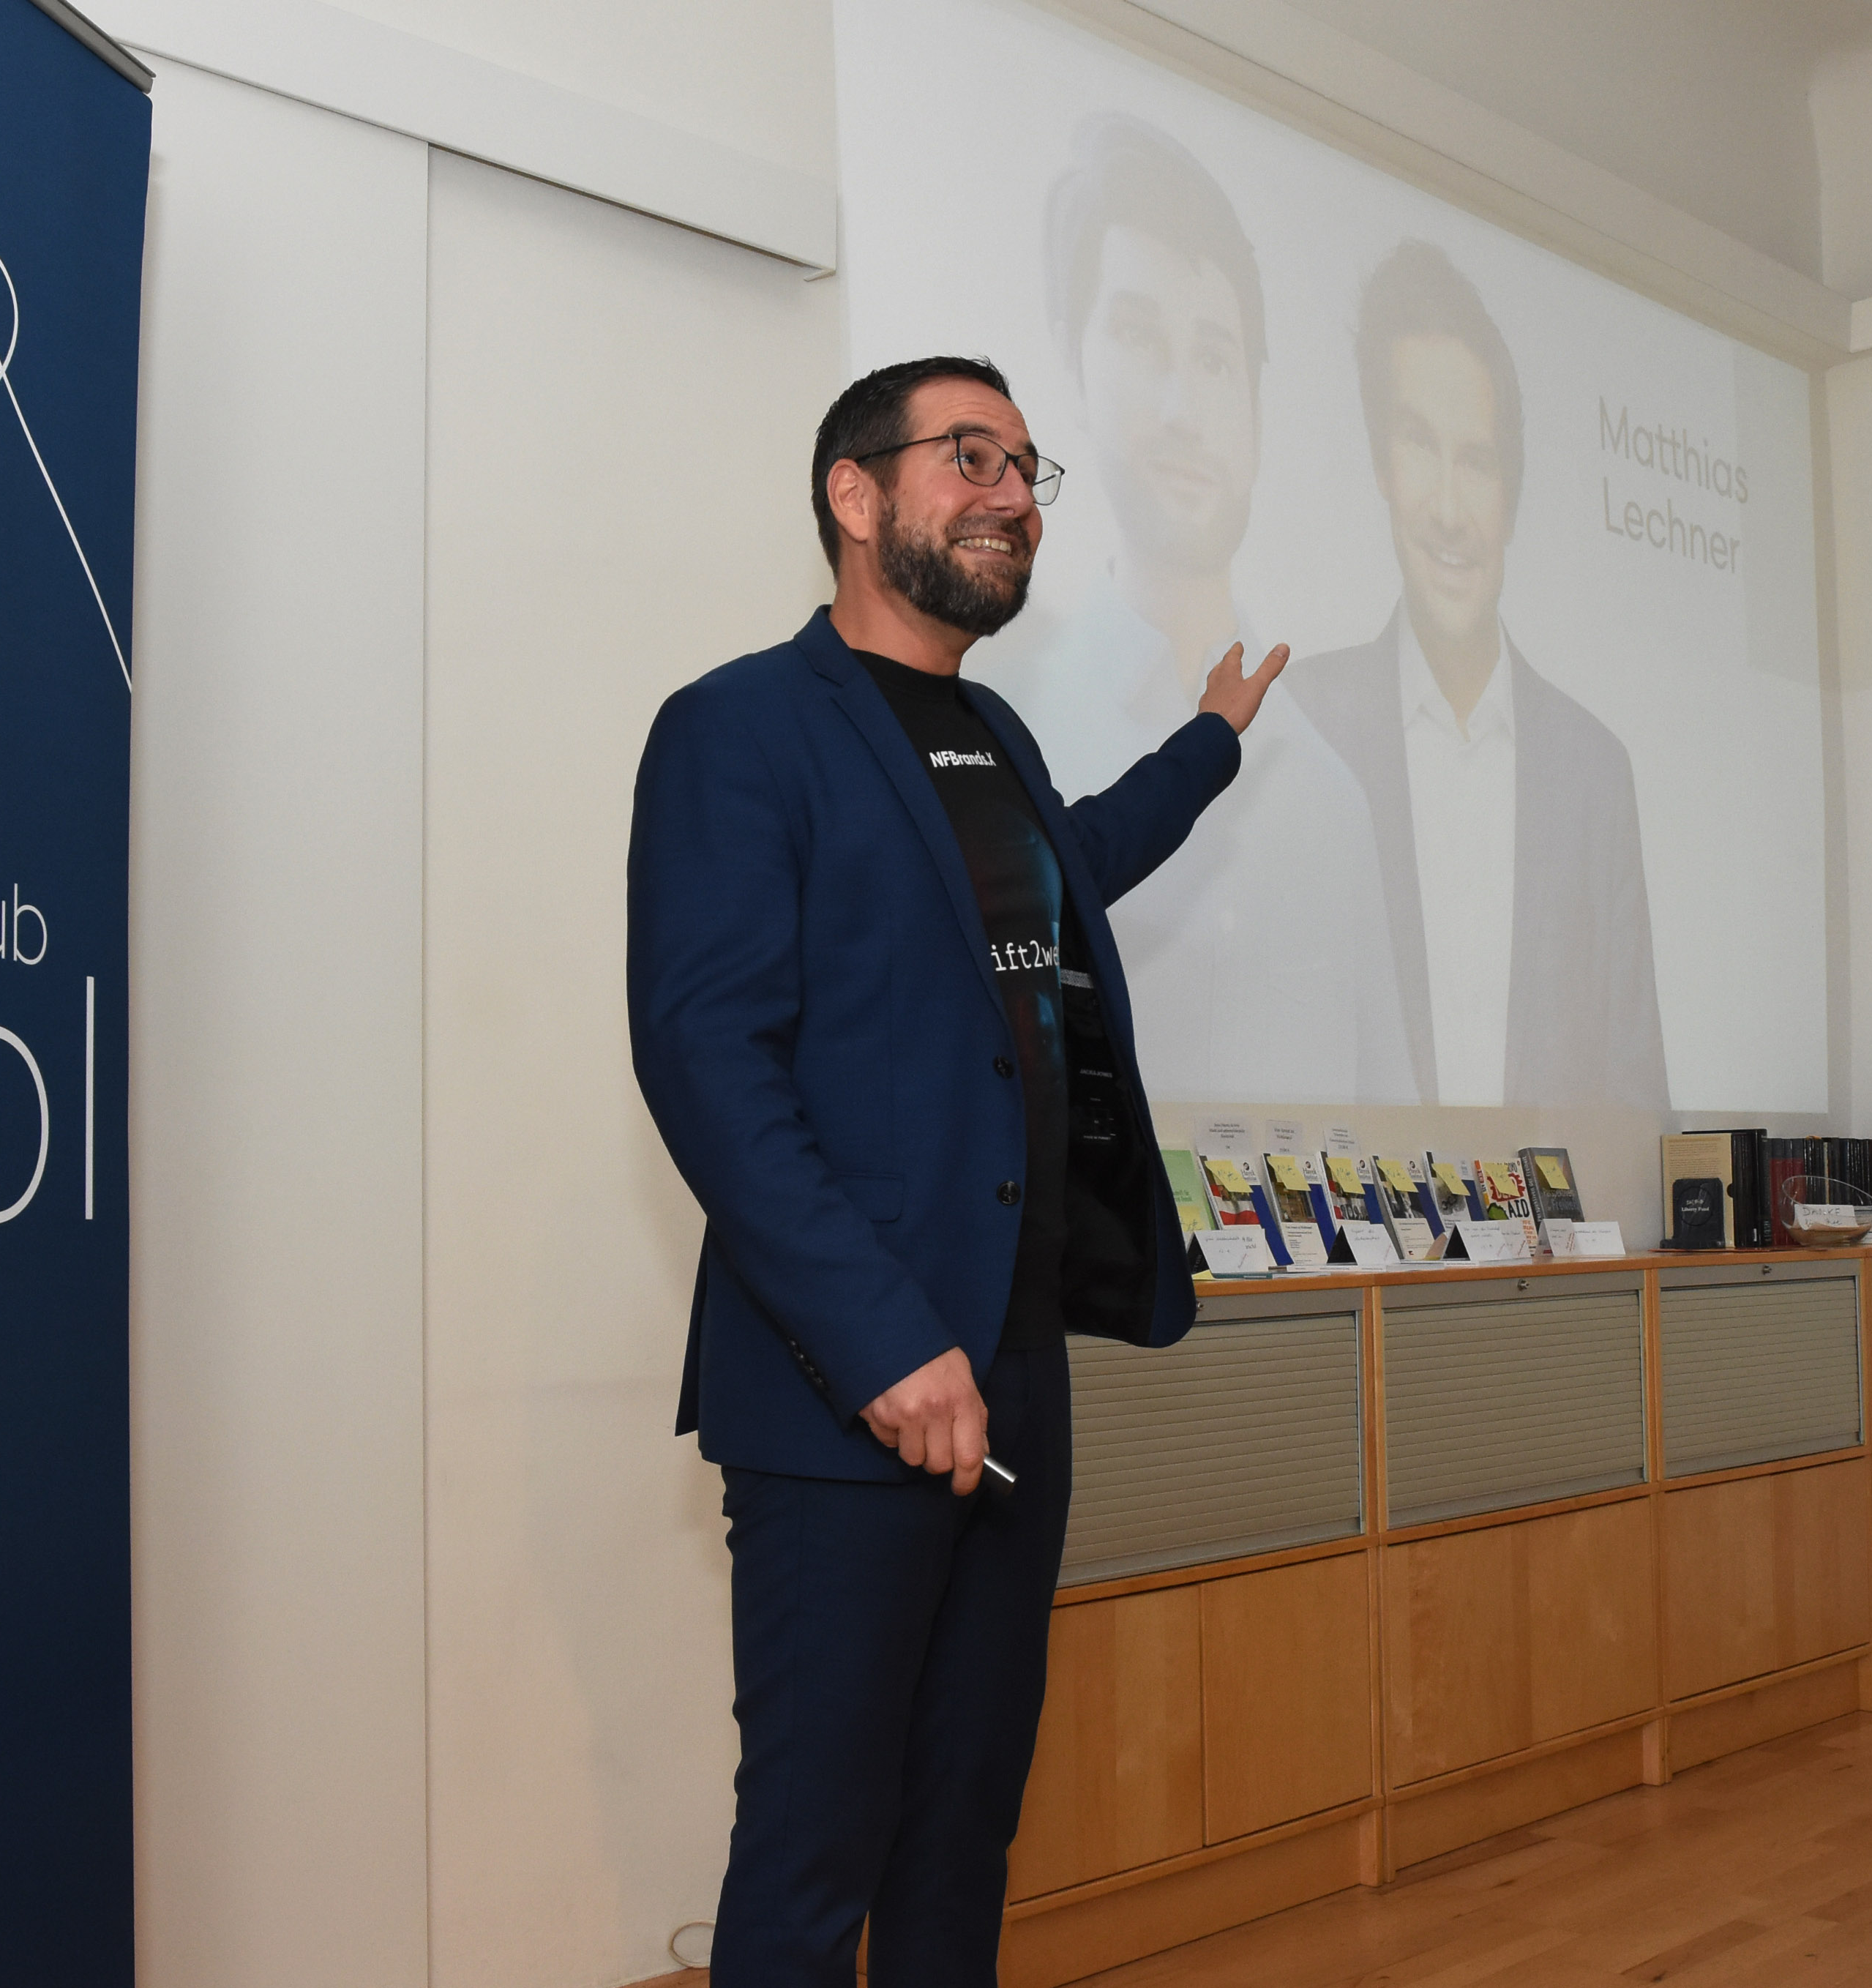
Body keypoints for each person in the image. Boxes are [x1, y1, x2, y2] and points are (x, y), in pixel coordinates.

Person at [625, 355, 1288, 1986]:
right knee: (814, 1850)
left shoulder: (992, 733)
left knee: (961, 1829)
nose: (1010, 494)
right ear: (854, 495)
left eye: (1025, 467)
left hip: (1013, 1375)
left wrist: (1210, 742)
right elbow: (707, 1063)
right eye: (968, 456)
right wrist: (885, 1348)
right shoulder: (737, 727)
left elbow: (1076, 868)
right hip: (848, 1391)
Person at [981, 113, 1413, 1106]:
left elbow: (1393, 1117)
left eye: (1217, 358)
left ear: (1257, 408)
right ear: (1073, 363)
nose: (1184, 407)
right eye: (1140, 337)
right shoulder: (997, 729)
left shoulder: (1334, 796)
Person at [1291, 239, 1669, 1110]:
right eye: (1420, 445)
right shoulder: (1304, 729)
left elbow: (1637, 1092)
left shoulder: (1594, 772)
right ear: (1383, 468)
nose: (1451, 510)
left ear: (1512, 495)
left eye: (1479, 459)